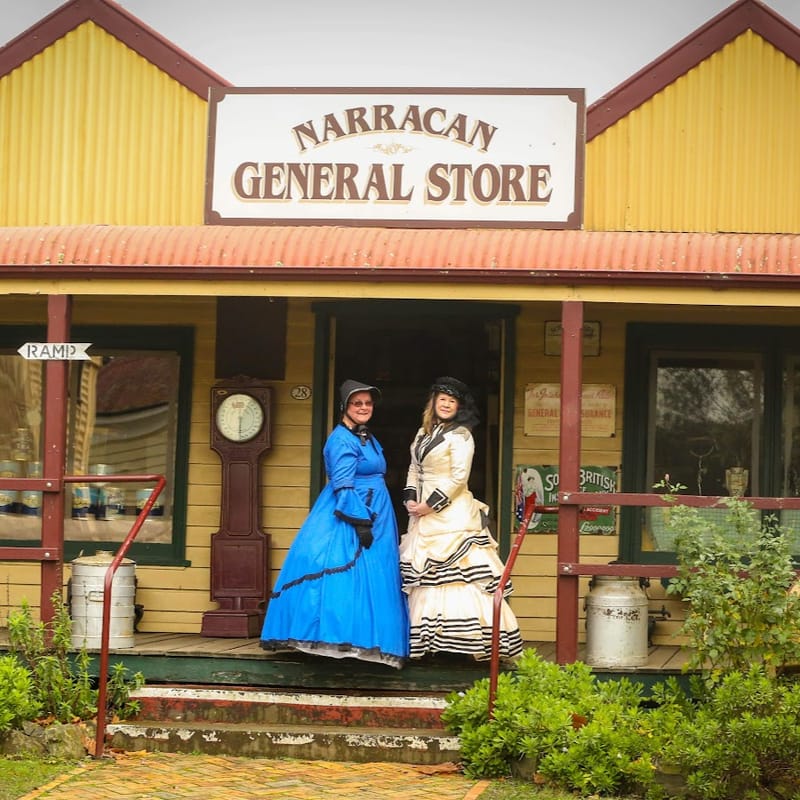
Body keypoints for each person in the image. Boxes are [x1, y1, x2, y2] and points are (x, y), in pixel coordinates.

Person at [260, 380, 409, 668]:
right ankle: (342, 637)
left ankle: (371, 639)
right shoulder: (341, 439)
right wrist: (361, 522)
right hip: (354, 512)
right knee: (345, 572)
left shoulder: (366, 436)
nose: (364, 408)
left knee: (374, 574)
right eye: (357, 403)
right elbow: (343, 484)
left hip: (376, 511)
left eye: (368, 403)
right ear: (345, 406)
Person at [399, 376, 523, 661]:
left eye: (452, 401)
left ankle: (465, 643)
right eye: (442, 399)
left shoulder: (462, 436)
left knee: (460, 579)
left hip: (451, 514)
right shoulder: (422, 433)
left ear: (459, 407)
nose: (445, 404)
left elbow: (458, 477)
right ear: (433, 402)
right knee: (427, 578)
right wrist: (410, 499)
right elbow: (414, 469)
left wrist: (430, 505)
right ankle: (432, 642)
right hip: (422, 514)